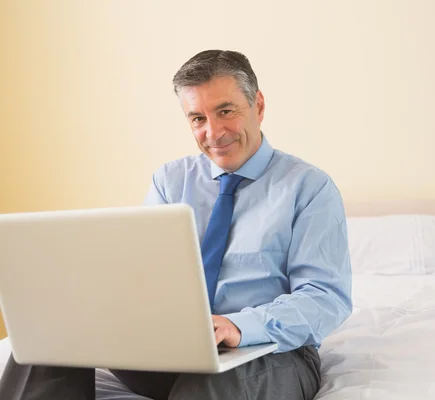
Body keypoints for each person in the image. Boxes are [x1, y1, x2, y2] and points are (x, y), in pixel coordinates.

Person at [0, 49, 352, 399]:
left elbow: (325, 298)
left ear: (258, 106)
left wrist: (238, 327)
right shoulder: (170, 180)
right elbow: (144, 276)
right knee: (43, 344)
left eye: (225, 111)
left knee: (208, 383)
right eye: (197, 118)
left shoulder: (309, 187)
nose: (213, 132)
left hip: (271, 350)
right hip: (172, 348)